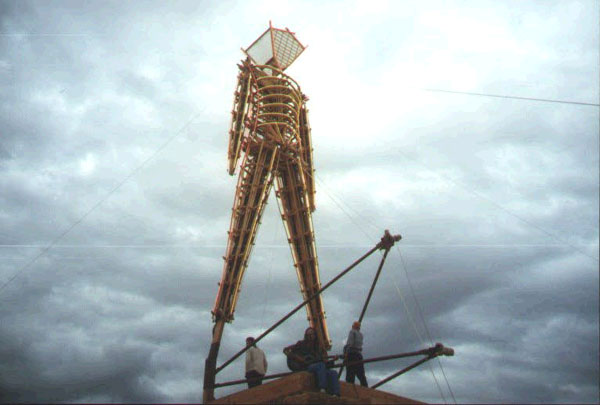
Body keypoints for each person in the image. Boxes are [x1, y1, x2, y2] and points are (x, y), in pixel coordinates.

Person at [283, 327, 340, 396]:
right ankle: (322, 389)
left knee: (333, 372)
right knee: (320, 365)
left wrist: (333, 360)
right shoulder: (301, 344)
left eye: (312, 334)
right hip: (304, 367)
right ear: (306, 335)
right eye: (308, 335)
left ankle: (336, 394)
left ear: (315, 335)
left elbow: (323, 363)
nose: (310, 336)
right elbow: (286, 351)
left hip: (316, 368)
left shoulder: (317, 348)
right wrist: (299, 359)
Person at [344, 321, 368, 387]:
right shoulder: (361, 334)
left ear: (353, 326)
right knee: (361, 374)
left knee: (350, 374)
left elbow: (350, 343)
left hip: (352, 354)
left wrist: (346, 353)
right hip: (359, 355)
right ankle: (365, 388)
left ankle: (350, 389)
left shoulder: (352, 332)